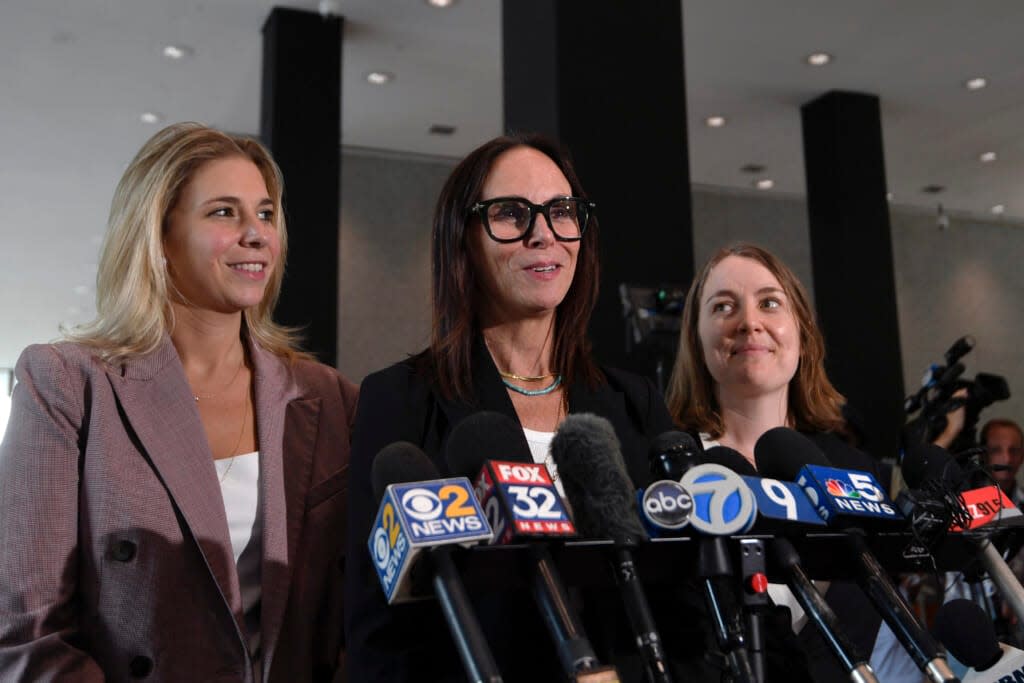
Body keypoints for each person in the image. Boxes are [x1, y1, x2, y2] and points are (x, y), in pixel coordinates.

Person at [343, 133, 738, 681]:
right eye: (511, 213)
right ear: (463, 237)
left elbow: (689, 610)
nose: (543, 234)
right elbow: (379, 634)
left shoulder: (636, 402)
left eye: (560, 211)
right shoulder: (400, 400)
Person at [0, 122, 358, 682]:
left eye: (265, 214)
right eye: (223, 213)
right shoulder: (68, 382)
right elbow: (27, 631)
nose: (256, 233)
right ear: (160, 237)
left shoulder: (329, 398)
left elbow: (353, 618)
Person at [665, 242, 892, 682]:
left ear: (802, 330)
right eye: (723, 307)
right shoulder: (668, 472)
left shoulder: (856, 473)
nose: (750, 323)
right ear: (695, 338)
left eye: (770, 303)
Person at [980, 418, 1024, 504]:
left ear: (1022, 456)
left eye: (1014, 450)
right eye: (996, 450)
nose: (1007, 459)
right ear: (983, 455)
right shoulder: (963, 501)